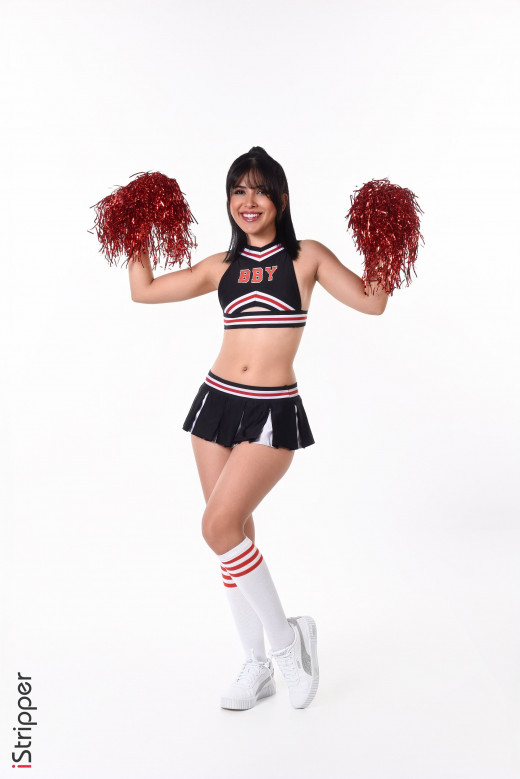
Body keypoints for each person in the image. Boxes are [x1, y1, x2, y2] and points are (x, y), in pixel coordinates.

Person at [128, 146, 389, 711]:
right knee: (232, 534)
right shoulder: (220, 266)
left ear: (281, 200)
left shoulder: (307, 257)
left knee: (218, 527)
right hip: (215, 405)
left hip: (271, 409)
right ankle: (257, 664)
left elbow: (373, 303)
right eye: (238, 191)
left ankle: (287, 641)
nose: (249, 201)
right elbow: (143, 290)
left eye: (260, 190)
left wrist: (384, 237)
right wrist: (136, 223)